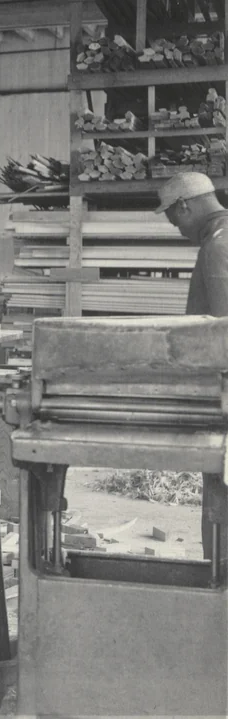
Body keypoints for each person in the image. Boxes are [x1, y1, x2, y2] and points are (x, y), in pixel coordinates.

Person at [155, 172, 228, 563]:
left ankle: (219, 582)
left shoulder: (217, 246)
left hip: (223, 395)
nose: (176, 228)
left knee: (221, 495)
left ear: (184, 205)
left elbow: (223, 330)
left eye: (173, 217)